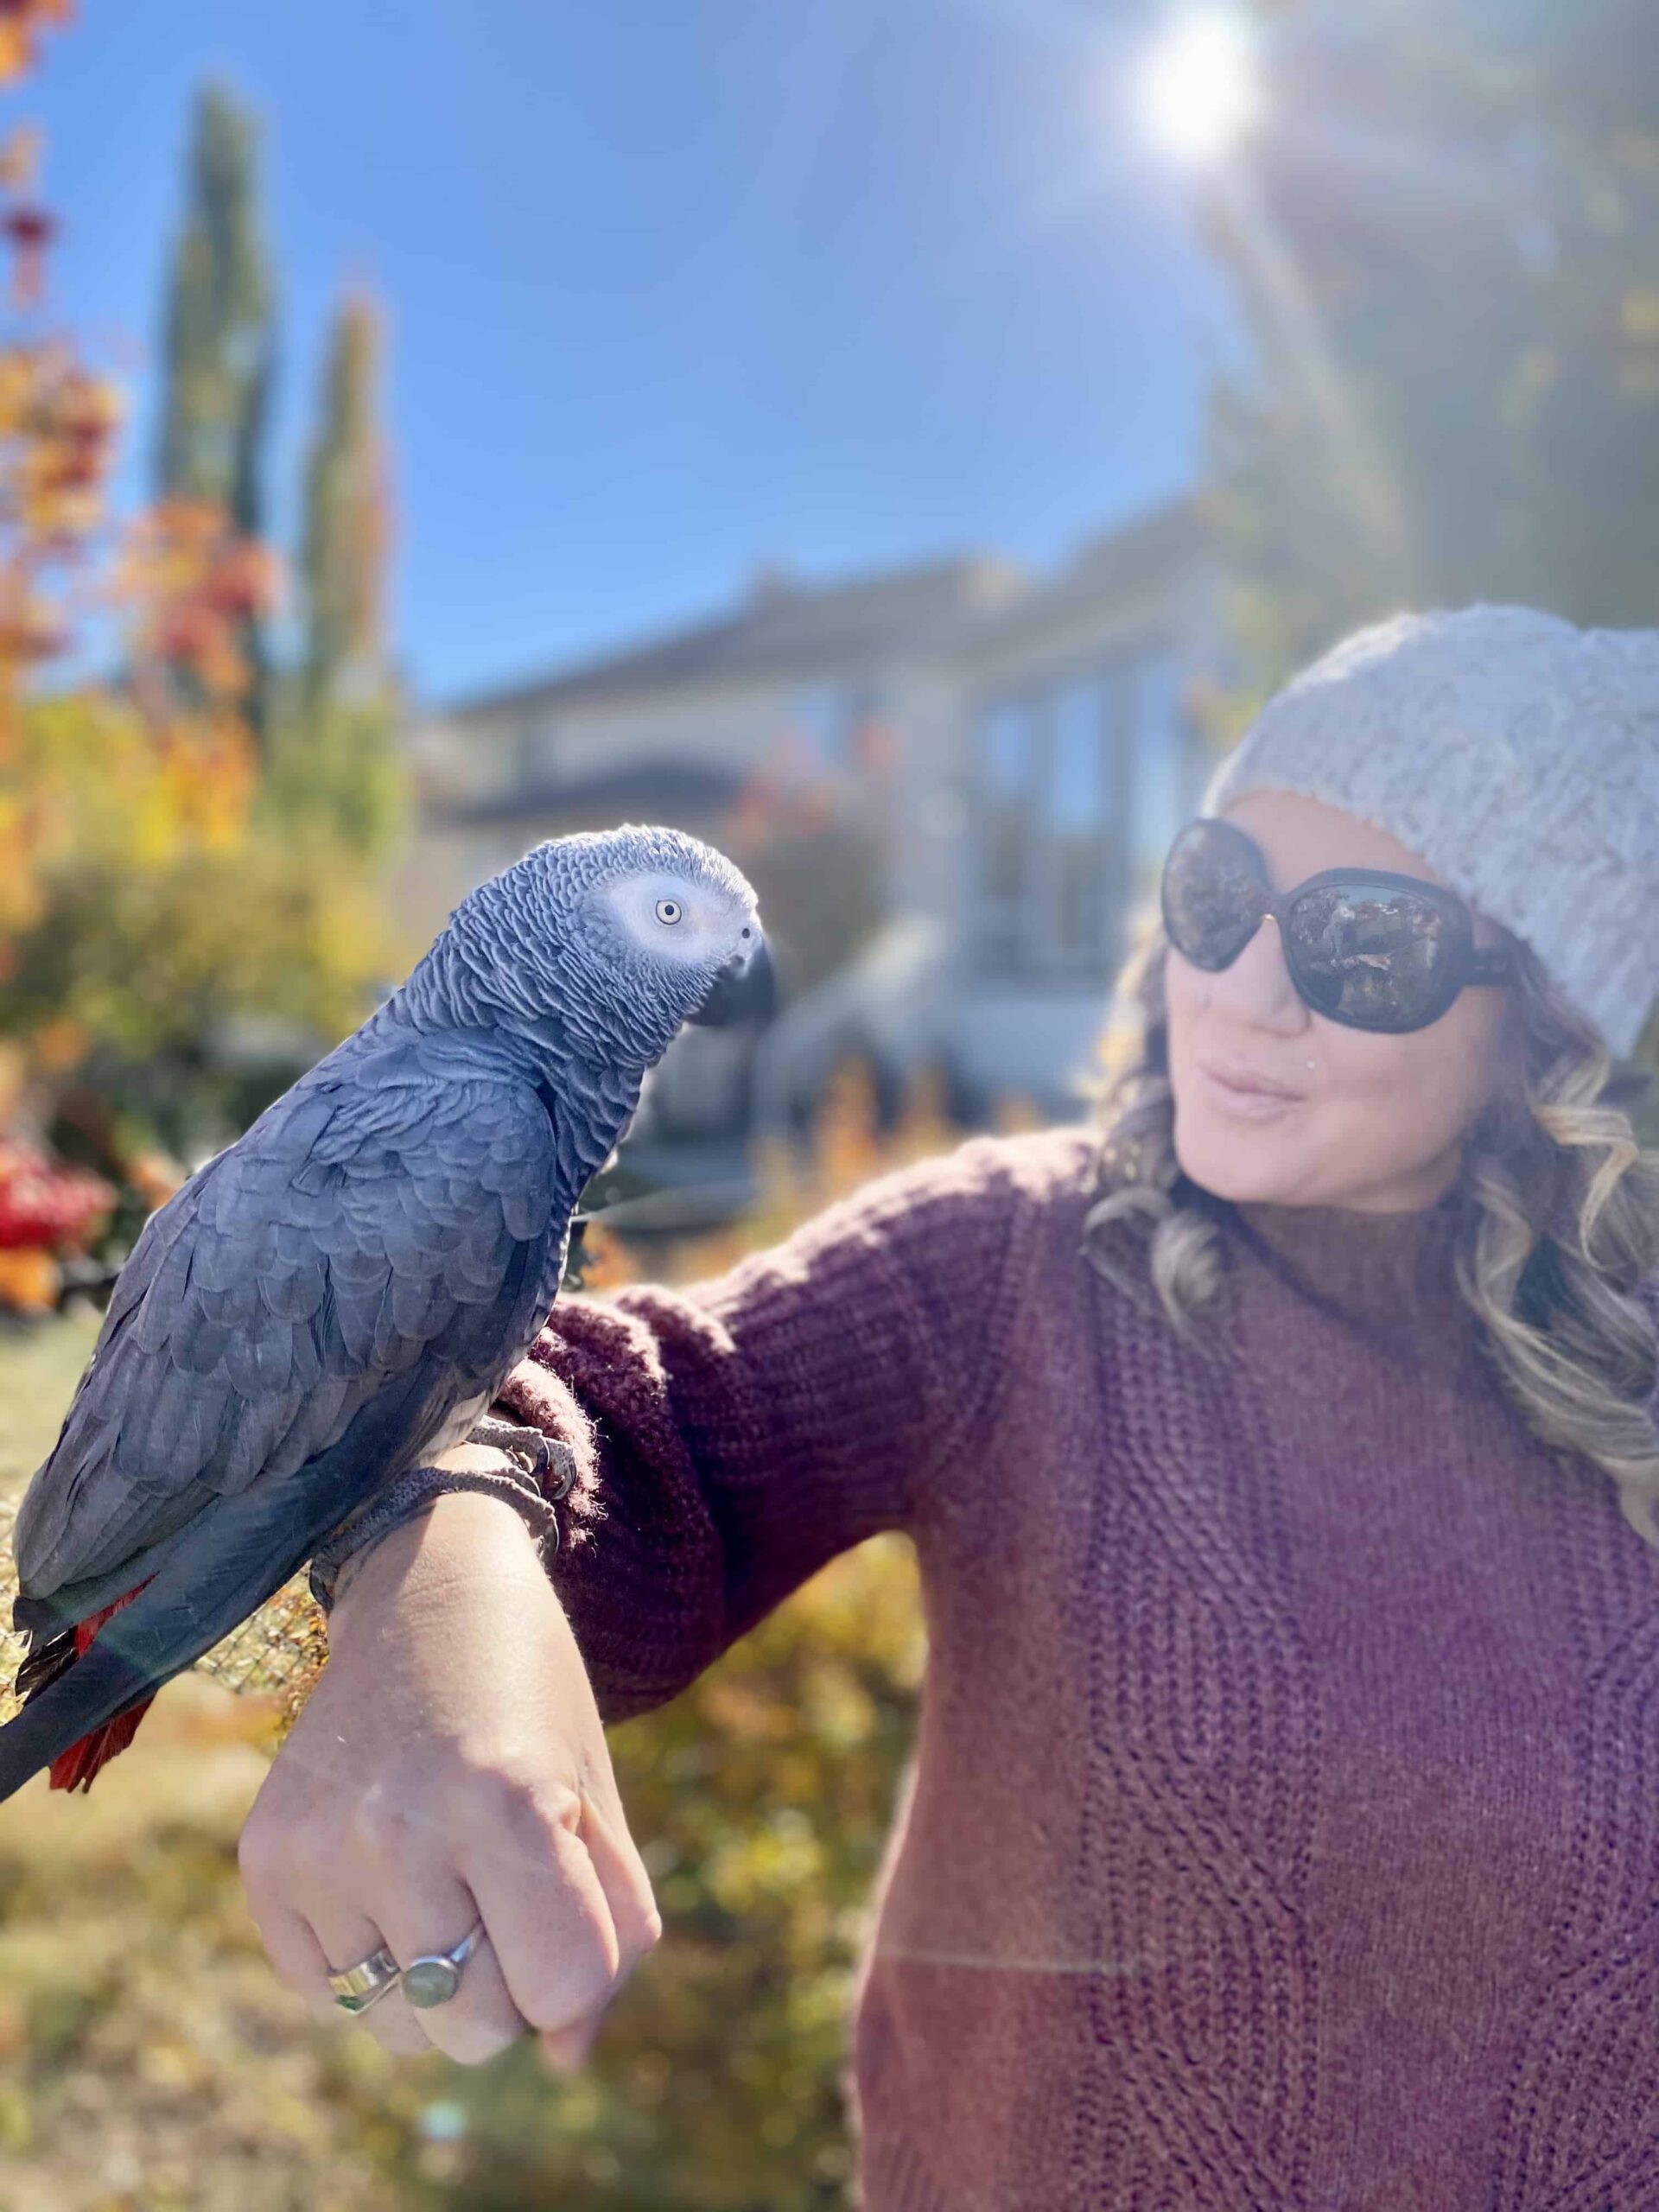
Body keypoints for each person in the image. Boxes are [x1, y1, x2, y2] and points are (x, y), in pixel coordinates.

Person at [238, 603, 1659, 2209]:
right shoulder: (1024, 1268)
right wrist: (444, 1573)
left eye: (1365, 946)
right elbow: (644, 1423)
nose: (1248, 991)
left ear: (1552, 1020)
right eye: (1220, 896)